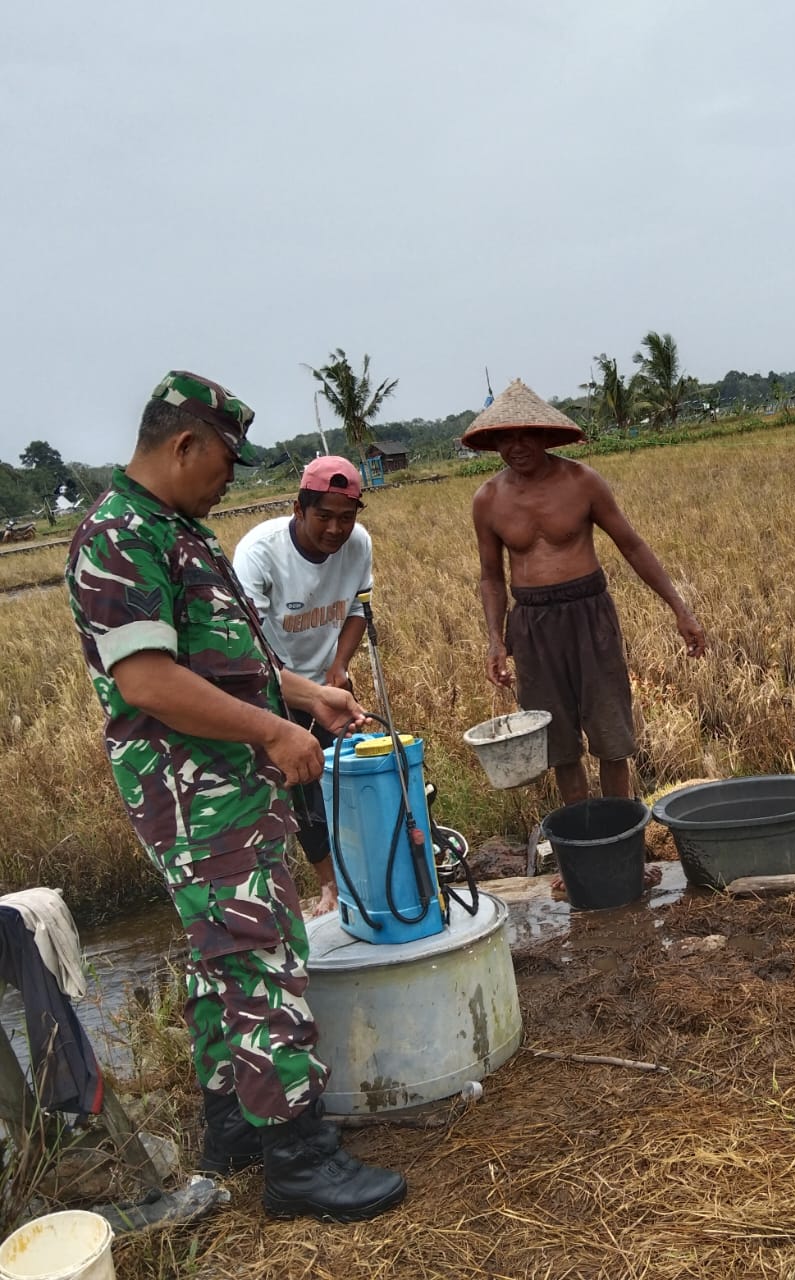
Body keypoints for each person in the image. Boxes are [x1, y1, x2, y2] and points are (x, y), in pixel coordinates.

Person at [65, 371, 405, 1223]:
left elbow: (224, 663)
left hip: (227, 790)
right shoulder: (117, 537)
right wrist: (271, 733)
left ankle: (237, 1129)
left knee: (221, 959)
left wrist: (304, 697)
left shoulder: (175, 529)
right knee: (260, 957)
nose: (230, 477)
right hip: (194, 793)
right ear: (184, 445)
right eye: (224, 459)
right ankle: (299, 1157)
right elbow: (147, 680)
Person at [468, 379, 706, 885]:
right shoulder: (487, 500)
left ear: (545, 435)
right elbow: (491, 575)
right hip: (531, 623)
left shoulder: (583, 483)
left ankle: (628, 854)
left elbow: (633, 546)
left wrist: (680, 609)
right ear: (493, 444)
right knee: (559, 747)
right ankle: (579, 855)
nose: (516, 448)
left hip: (589, 613)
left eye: (525, 436)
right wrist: (495, 637)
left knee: (611, 735)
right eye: (504, 440)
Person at [232, 456, 374, 917]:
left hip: (328, 689)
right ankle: (329, 887)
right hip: (271, 688)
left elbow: (356, 608)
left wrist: (339, 665)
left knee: (350, 778)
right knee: (303, 789)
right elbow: (245, 653)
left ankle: (367, 874)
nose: (336, 529)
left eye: (346, 518)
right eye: (324, 517)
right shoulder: (259, 553)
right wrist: (304, 695)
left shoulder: (359, 545)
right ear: (298, 509)